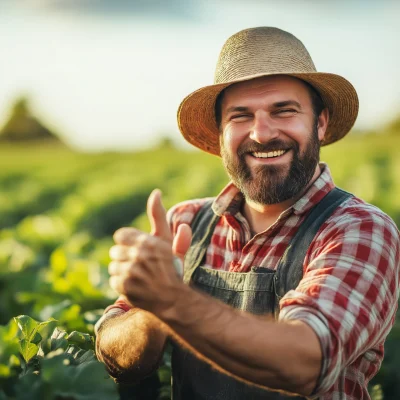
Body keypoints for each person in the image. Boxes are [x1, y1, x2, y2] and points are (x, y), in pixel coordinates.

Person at [95, 27, 400, 399]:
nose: (261, 133)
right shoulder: (185, 223)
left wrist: (174, 300)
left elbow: (306, 361)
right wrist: (153, 310)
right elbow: (115, 355)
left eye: (283, 110)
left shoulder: (359, 229)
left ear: (319, 123)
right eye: (240, 116)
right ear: (221, 134)